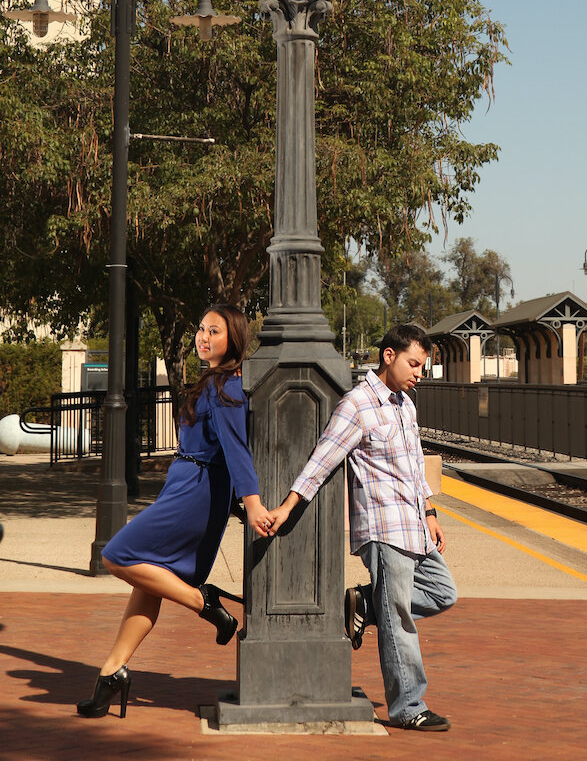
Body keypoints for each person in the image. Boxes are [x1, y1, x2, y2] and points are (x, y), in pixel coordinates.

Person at [77, 303, 270, 719]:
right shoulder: (213, 382)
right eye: (201, 329)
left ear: (233, 339)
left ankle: (204, 603)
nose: (203, 337)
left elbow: (237, 451)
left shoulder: (227, 388)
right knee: (147, 582)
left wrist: (251, 503)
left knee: (116, 554)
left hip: (196, 492)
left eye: (214, 332)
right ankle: (112, 673)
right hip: (185, 487)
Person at [266, 323, 457, 732]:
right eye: (414, 363)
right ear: (389, 356)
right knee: (400, 616)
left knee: (443, 592)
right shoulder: (357, 405)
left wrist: (430, 511)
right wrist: (287, 506)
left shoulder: (406, 404)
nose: (419, 372)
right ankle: (408, 706)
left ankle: (366, 604)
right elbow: (324, 458)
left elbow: (414, 462)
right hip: (384, 527)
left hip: (414, 524)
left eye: (423, 366)